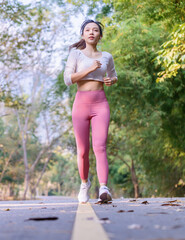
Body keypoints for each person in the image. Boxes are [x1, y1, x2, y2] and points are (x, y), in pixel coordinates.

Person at [63, 19, 118, 203]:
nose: (92, 33)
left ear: (100, 35)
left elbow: (113, 75)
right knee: (83, 150)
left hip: (100, 103)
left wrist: (111, 81)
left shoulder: (107, 56)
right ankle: (84, 184)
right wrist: (89, 69)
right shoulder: (75, 54)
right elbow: (68, 79)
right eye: (88, 30)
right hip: (81, 104)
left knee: (100, 147)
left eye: (95, 30)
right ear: (83, 34)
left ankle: (104, 187)